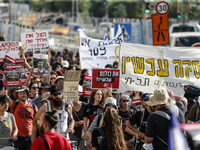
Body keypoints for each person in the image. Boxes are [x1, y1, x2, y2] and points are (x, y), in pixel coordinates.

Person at [7, 86, 38, 150]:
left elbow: (36, 122)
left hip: (30, 137)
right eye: (20, 93)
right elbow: (5, 97)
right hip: (17, 137)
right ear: (17, 95)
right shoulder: (14, 104)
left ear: (27, 94)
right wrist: (5, 82)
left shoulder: (33, 106)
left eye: (24, 93)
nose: (22, 95)